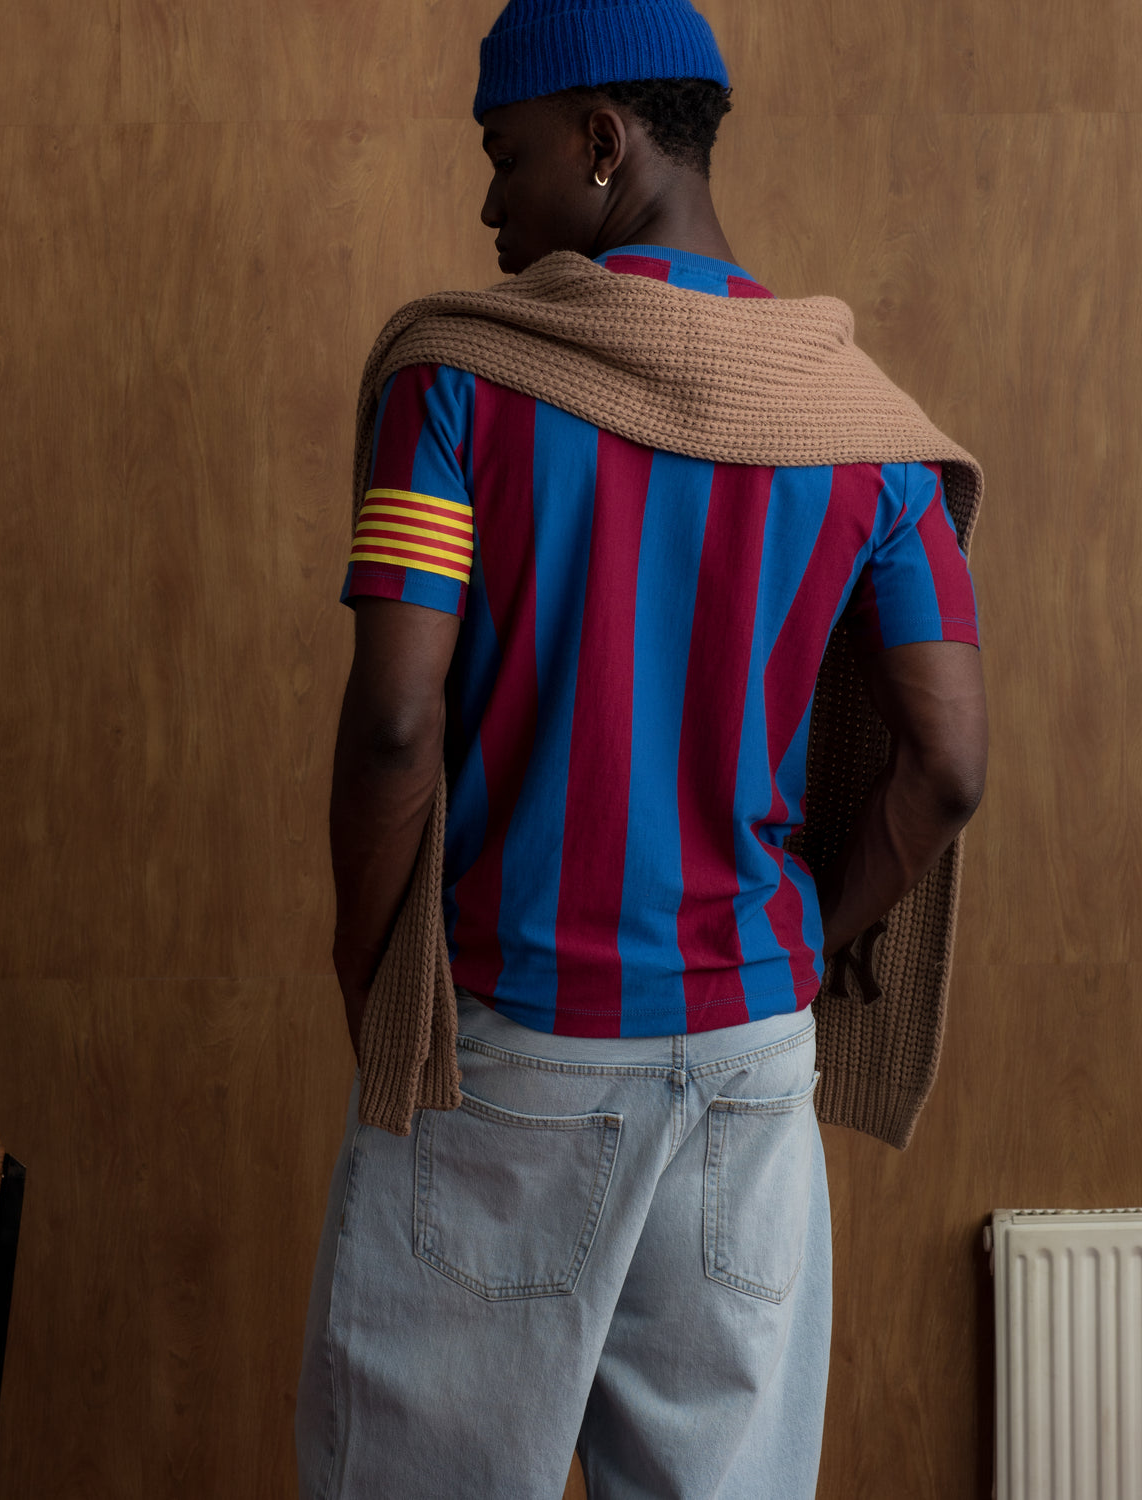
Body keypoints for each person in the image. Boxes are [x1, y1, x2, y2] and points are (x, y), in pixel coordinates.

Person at [297, 2, 988, 1495]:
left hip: (516, 1043)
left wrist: (368, 968)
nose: (490, 203)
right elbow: (947, 768)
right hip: (750, 1066)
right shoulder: (860, 425)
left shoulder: (456, 384)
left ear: (603, 141)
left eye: (506, 155)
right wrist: (798, 939)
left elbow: (396, 719)